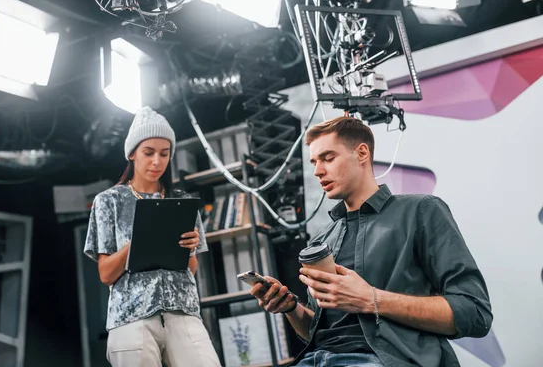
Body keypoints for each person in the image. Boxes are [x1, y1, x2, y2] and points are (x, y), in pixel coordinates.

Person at [248, 116, 492, 367]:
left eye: (328, 158)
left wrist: (370, 298)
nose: (317, 171)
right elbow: (319, 332)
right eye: (314, 162)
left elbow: (475, 313)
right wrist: (290, 308)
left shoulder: (422, 211)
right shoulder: (322, 239)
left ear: (362, 153)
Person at [84, 107, 221, 367]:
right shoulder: (109, 202)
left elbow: (191, 270)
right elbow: (106, 274)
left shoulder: (181, 201)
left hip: (184, 312)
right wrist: (137, 243)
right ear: (132, 153)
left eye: (164, 153)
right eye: (148, 153)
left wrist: (189, 249)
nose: (157, 161)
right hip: (130, 318)